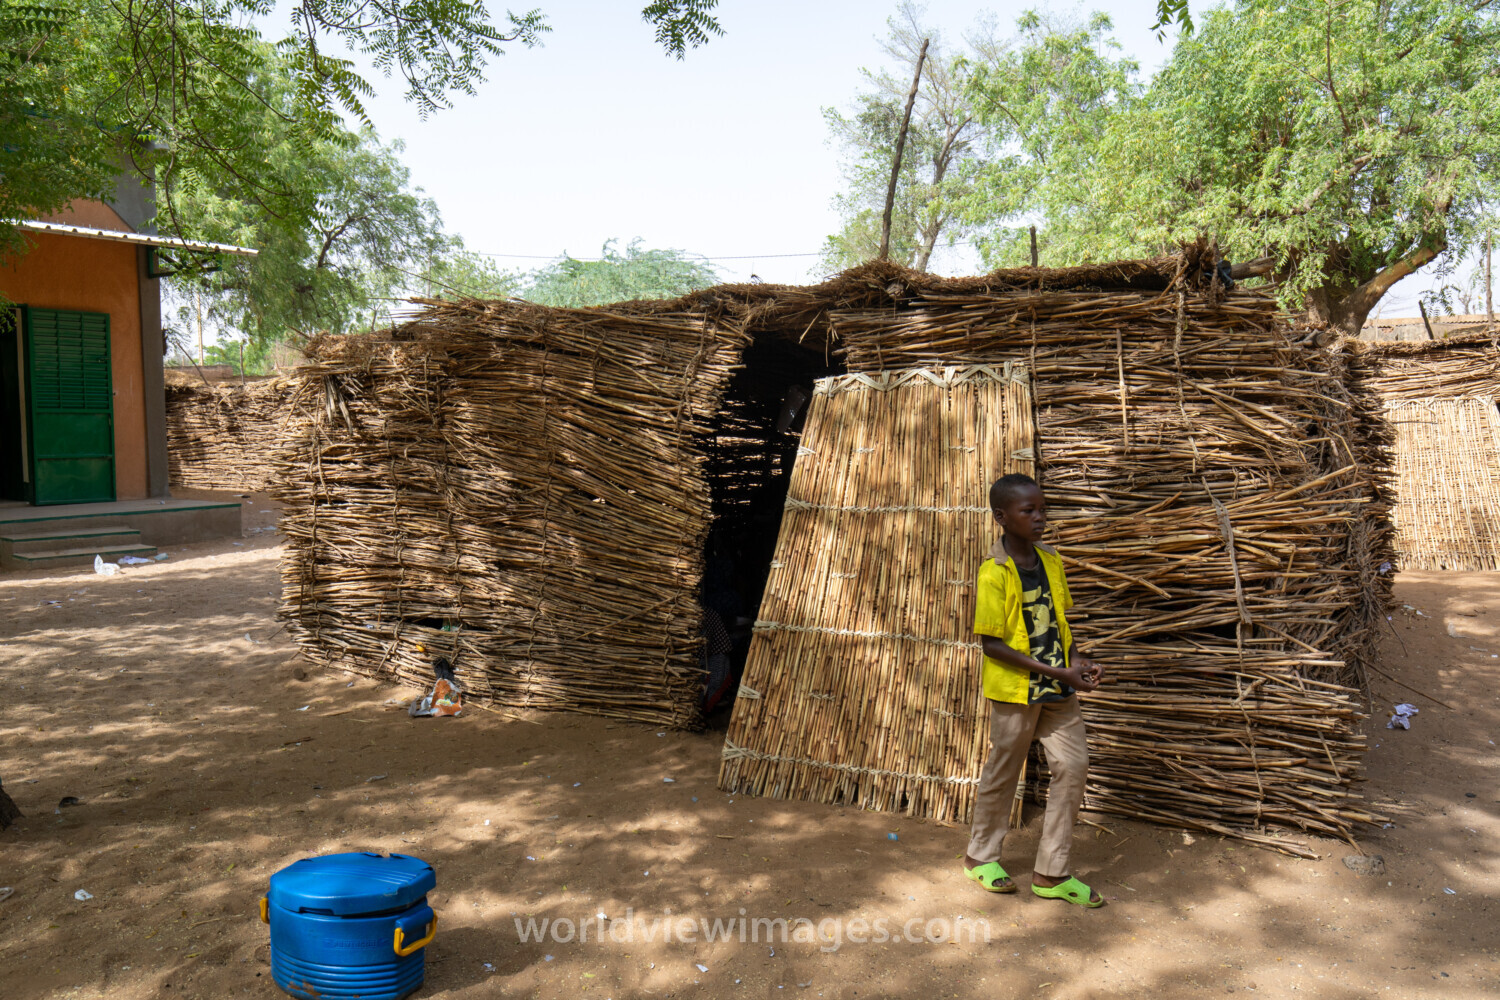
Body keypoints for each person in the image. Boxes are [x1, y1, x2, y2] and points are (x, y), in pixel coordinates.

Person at [962, 472, 1106, 907]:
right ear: (1002, 517)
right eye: (1029, 511)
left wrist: (1076, 661)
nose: (1040, 517)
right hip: (1016, 692)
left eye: (1043, 509)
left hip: (1059, 692)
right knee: (1004, 771)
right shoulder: (994, 573)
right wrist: (1060, 673)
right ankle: (980, 857)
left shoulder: (1050, 560)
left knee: (1073, 767)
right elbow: (991, 645)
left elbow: (1060, 622)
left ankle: (1051, 873)